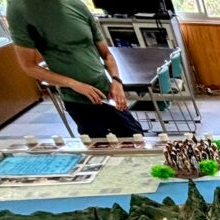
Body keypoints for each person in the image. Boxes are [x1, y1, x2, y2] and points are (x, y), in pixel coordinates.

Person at [7, 0, 142, 138]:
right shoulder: (19, 9)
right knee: (99, 144)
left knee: (136, 137)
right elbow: (29, 66)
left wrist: (116, 81)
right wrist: (73, 84)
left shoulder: (76, 5)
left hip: (106, 91)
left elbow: (106, 54)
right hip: (76, 99)